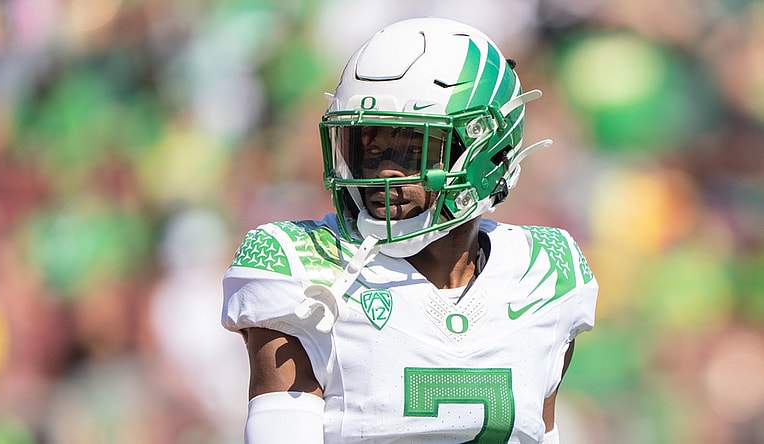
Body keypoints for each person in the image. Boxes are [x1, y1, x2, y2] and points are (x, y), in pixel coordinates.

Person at [222, 17, 598, 444]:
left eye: (412, 149)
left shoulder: (546, 273)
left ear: (484, 150)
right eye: (369, 147)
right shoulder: (302, 263)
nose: (383, 171)